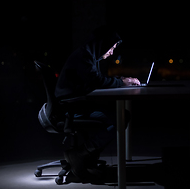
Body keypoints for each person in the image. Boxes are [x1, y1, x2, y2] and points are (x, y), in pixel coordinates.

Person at [54, 26, 140, 182]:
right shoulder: (84, 58)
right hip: (71, 107)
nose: (112, 52)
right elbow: (97, 82)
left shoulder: (86, 56)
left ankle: (85, 157)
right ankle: (81, 154)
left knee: (118, 115)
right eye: (111, 47)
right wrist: (122, 82)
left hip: (73, 104)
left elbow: (94, 81)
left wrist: (120, 81)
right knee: (120, 117)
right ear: (102, 44)